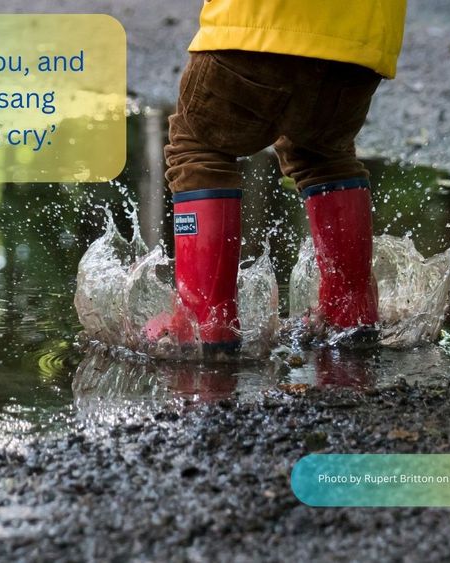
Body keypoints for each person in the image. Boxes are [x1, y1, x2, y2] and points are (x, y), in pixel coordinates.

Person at [145, 0, 407, 355]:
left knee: (198, 147)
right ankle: (350, 314)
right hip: (359, 44)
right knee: (323, 154)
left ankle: (202, 323)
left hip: (261, 22)